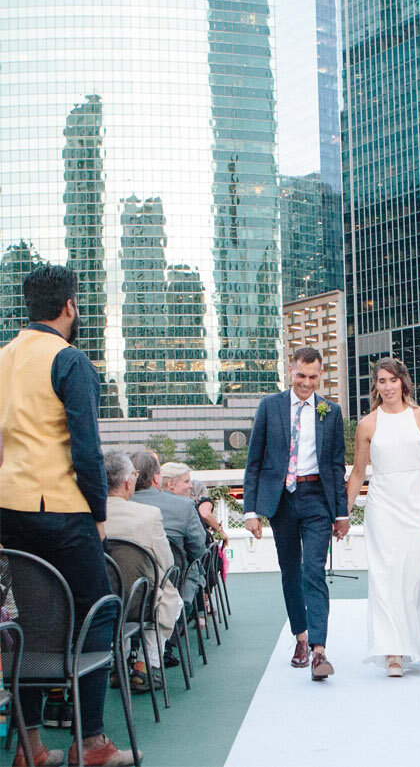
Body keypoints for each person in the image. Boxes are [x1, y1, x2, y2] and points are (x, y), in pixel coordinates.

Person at [0, 264, 134, 766]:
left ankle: (30, 746)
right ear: (69, 306)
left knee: (35, 618)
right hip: (60, 509)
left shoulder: (4, 358)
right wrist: (98, 512)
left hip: (9, 510)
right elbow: (87, 450)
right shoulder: (69, 359)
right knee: (99, 611)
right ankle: (91, 740)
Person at [242, 345, 348, 681]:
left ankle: (319, 650)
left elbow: (335, 465)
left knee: (313, 570)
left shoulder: (330, 411)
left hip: (317, 498)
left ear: (320, 376)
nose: (306, 383)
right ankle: (300, 637)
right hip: (281, 501)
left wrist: (341, 513)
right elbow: (254, 462)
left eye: (313, 377)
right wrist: (251, 510)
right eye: (301, 376)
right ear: (291, 371)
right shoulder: (269, 406)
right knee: (290, 570)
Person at [344, 357, 420, 677]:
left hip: (416, 505)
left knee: (414, 578)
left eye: (392, 380)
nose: (387, 387)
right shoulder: (368, 424)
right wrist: (342, 513)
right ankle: (393, 653)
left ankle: (411, 641)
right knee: (385, 579)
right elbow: (358, 472)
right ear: (376, 386)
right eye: (381, 381)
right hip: (382, 507)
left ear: (403, 382)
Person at [102, 451, 181, 695]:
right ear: (128, 481)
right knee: (168, 596)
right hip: (139, 603)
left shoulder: (87, 515)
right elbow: (167, 562)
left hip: (99, 603)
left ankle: (118, 662)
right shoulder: (148, 515)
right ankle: (147, 665)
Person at [130, 454, 205, 609]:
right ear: (157, 478)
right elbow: (198, 548)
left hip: (128, 591)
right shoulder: (184, 506)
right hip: (176, 587)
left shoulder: (113, 508)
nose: (190, 485)